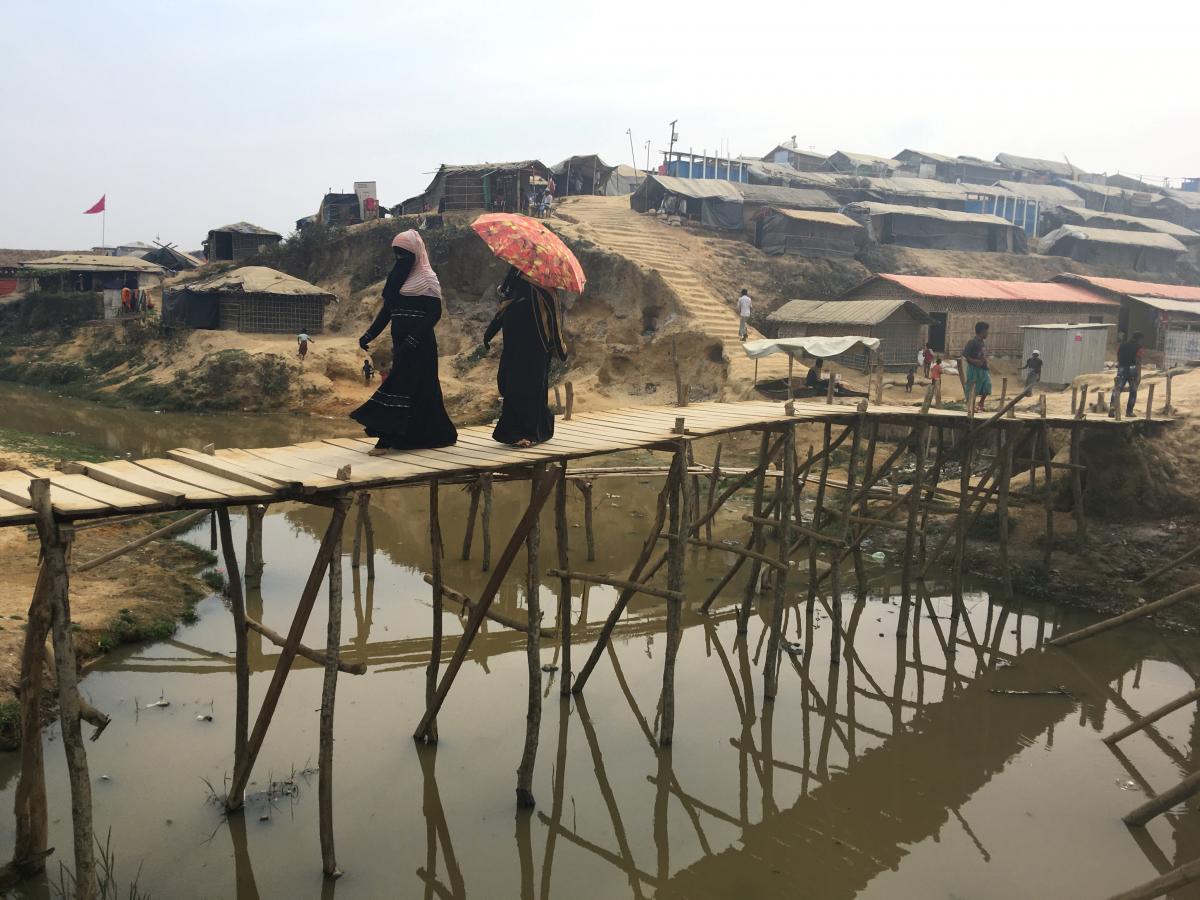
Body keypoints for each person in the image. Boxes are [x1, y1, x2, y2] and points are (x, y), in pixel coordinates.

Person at [350, 230, 457, 454]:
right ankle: (423, 436)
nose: (400, 259)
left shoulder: (427, 279)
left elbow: (433, 314)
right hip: (400, 344)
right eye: (396, 254)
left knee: (400, 386)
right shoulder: (396, 280)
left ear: (415, 254)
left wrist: (413, 338)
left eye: (404, 254)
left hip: (421, 346)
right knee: (414, 390)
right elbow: (387, 311)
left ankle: (385, 440)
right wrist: (369, 335)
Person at [483, 265, 568, 447]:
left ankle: (528, 432)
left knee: (530, 387)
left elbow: (554, 321)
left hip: (535, 349)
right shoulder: (517, 276)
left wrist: (560, 349)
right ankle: (514, 431)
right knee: (511, 385)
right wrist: (489, 332)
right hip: (515, 346)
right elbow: (504, 306)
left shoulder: (545, 288)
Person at [1110, 331, 1144, 417]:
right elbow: (1138, 361)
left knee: (1118, 388)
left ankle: (1112, 407)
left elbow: (1118, 355)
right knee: (1133, 390)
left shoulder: (1122, 345)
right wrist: (1139, 375)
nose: (1142, 342)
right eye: (1141, 340)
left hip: (1121, 368)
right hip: (1132, 369)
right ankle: (1129, 412)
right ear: (1139, 339)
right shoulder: (1138, 347)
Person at [963, 321, 991, 412]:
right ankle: (971, 405)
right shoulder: (972, 342)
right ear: (982, 331)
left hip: (983, 368)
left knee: (987, 385)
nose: (988, 333)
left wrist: (984, 361)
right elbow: (965, 355)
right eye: (987, 331)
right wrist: (975, 361)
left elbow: (982, 354)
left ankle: (981, 403)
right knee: (973, 388)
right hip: (974, 369)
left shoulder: (982, 343)